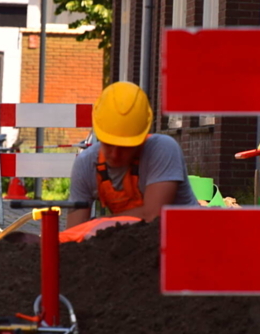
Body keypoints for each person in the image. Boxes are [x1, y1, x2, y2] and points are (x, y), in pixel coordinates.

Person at [66, 82, 199, 227]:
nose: (115, 154)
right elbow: (74, 231)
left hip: (185, 237)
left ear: (142, 137)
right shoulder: (86, 164)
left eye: (125, 147)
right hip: (132, 242)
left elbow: (153, 217)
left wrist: (98, 224)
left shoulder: (162, 149)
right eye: (109, 144)